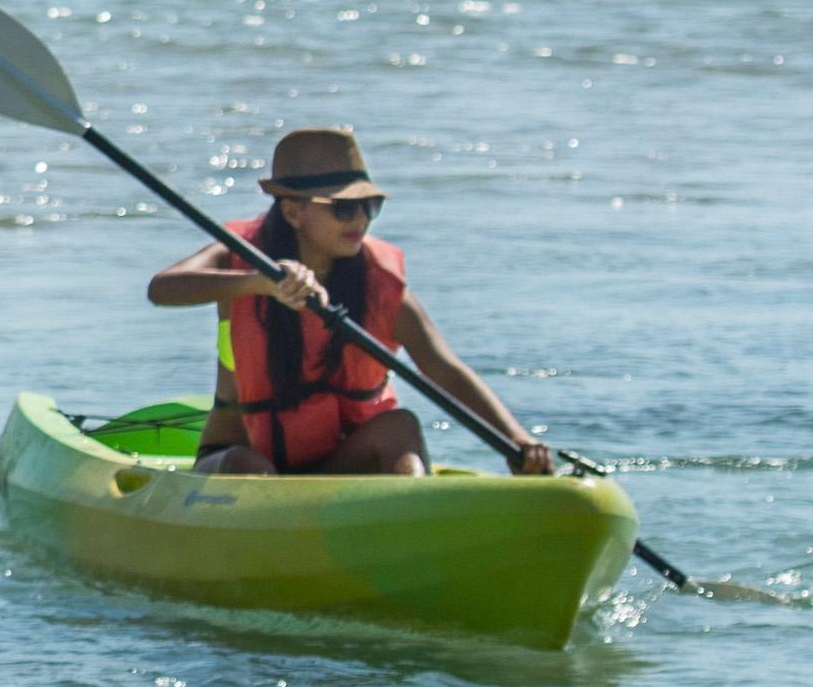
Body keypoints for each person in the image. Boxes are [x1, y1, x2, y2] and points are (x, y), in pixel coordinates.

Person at [151, 125, 557, 479]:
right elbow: (163, 288)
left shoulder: (380, 286)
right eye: (344, 208)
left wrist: (517, 439)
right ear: (293, 211)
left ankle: (409, 516)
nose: (360, 220)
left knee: (400, 427)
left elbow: (445, 371)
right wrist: (260, 283)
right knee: (247, 468)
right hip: (241, 464)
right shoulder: (240, 258)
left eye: (369, 206)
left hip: (341, 468)